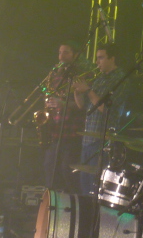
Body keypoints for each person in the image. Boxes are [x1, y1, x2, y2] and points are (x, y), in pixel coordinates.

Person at [73, 43, 130, 196]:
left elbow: (107, 109)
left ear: (112, 59)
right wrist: (77, 92)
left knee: (95, 188)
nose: (97, 62)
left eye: (101, 58)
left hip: (103, 141)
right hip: (88, 139)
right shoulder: (99, 78)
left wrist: (88, 90)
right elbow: (83, 106)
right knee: (84, 186)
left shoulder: (120, 79)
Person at [42, 41, 90, 193]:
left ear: (75, 55)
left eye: (66, 52)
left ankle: (73, 202)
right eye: (60, 52)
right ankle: (52, 202)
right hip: (56, 131)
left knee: (68, 171)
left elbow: (84, 106)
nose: (61, 56)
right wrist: (49, 103)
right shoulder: (56, 76)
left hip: (73, 132)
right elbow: (50, 95)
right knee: (49, 167)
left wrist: (62, 103)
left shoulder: (81, 75)